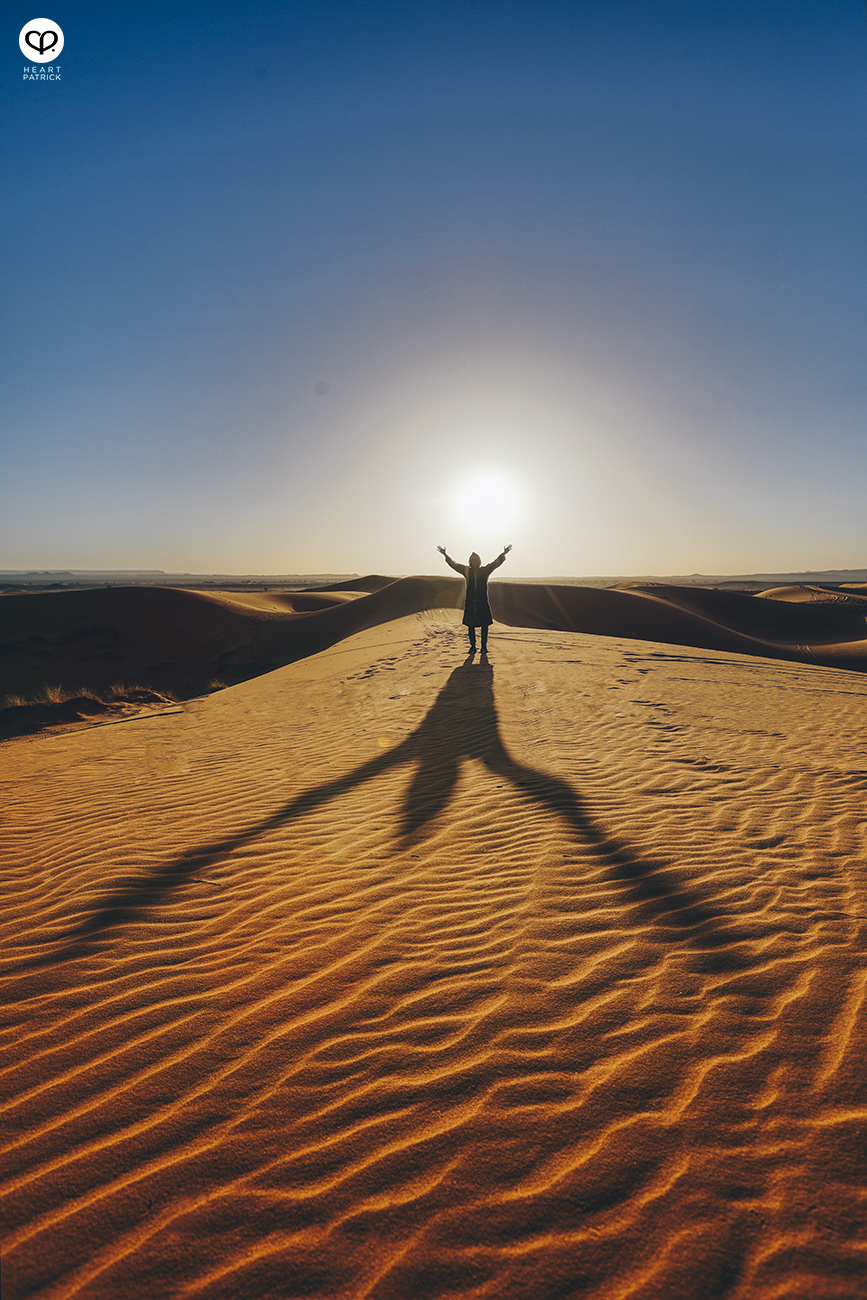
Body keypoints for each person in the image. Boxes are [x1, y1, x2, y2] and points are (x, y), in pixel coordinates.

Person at [437, 544, 512, 654]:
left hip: (482, 602)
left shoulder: (485, 570)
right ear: (470, 561)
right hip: (471, 602)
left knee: (484, 625)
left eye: (476, 560)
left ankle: (483, 647)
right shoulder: (466, 570)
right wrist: (445, 555)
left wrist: (504, 554)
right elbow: (454, 565)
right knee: (470, 625)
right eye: (472, 560)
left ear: (479, 561)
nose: (475, 562)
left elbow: (495, 563)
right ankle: (472, 646)